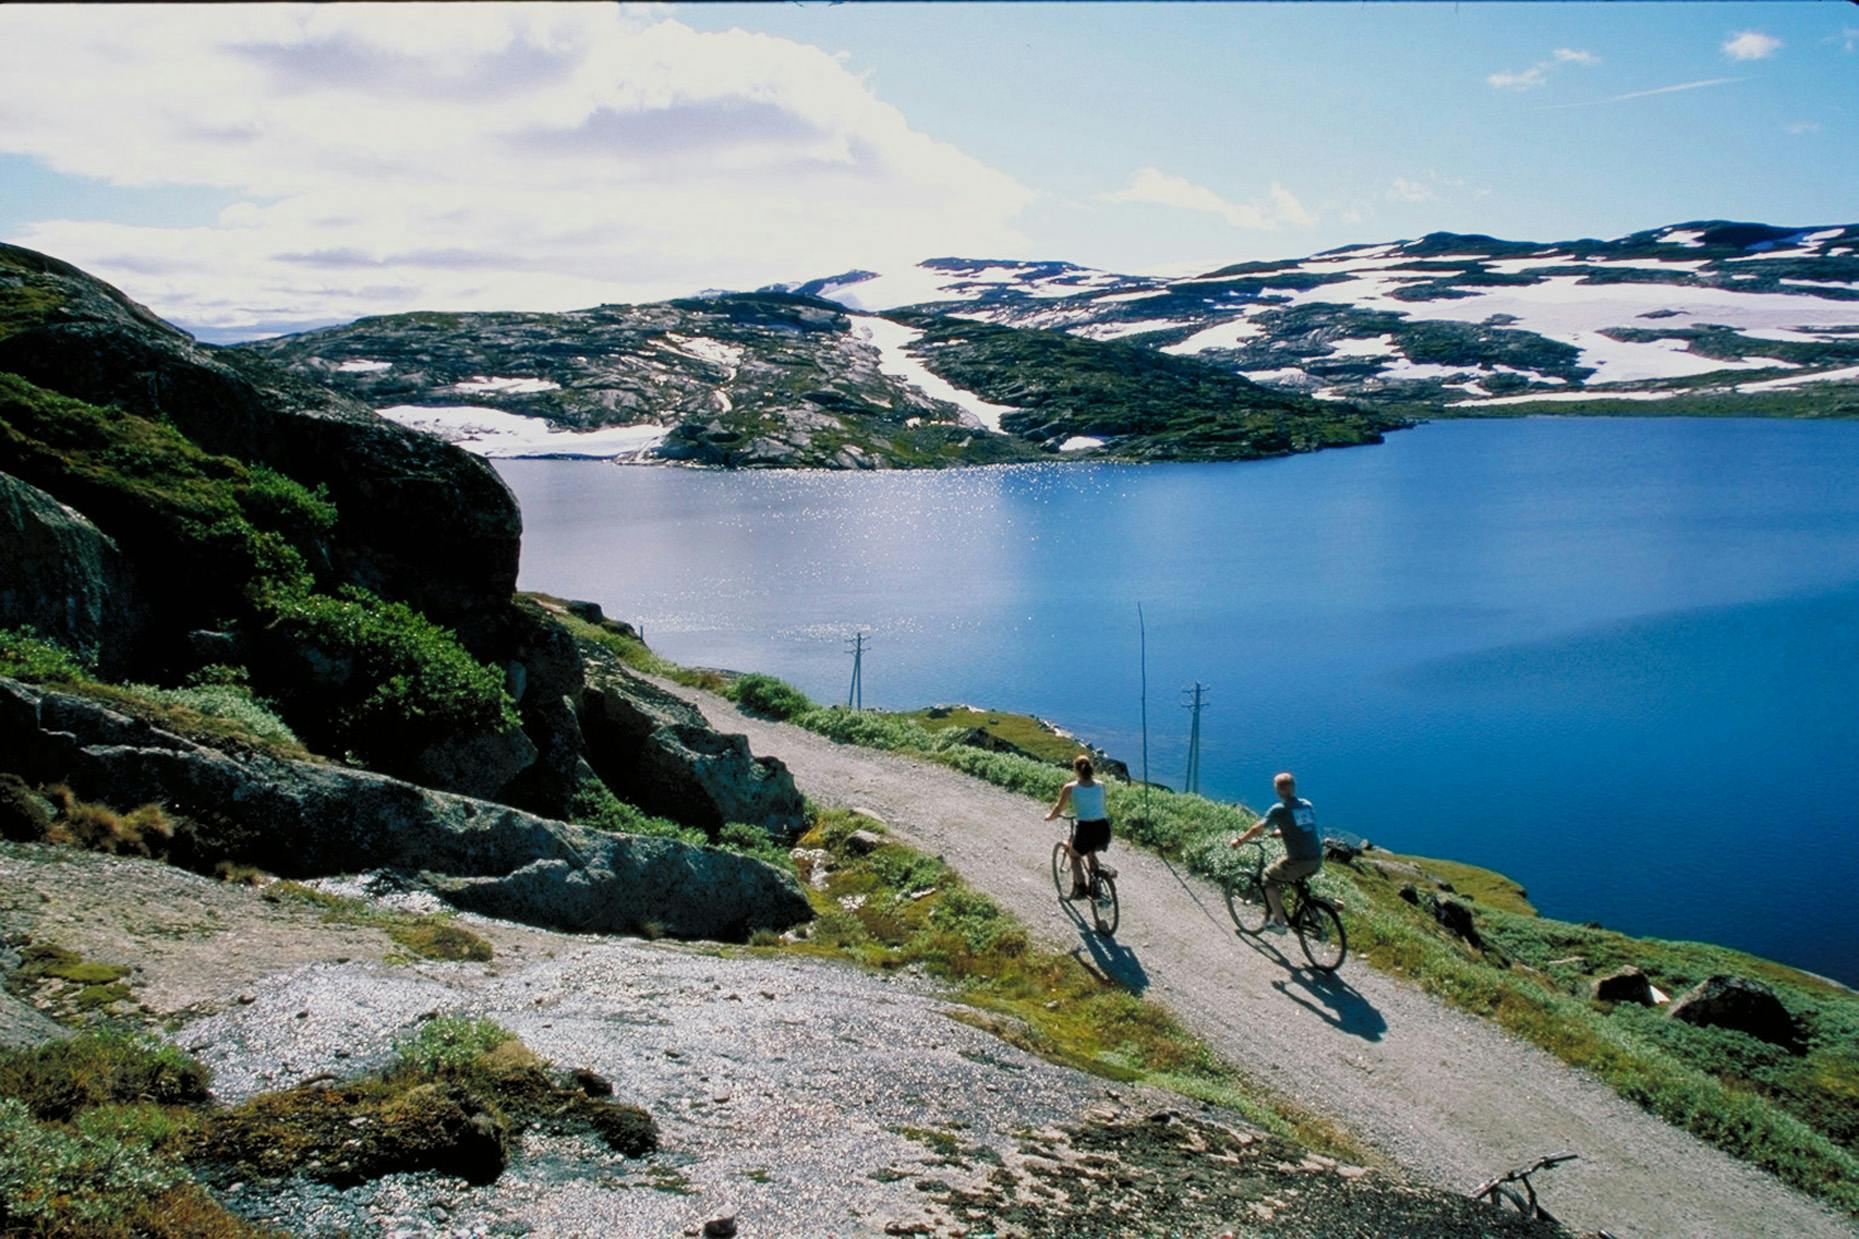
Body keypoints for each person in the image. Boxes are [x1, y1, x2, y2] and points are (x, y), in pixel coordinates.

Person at [1229, 771, 1321, 932]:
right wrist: (1281, 832)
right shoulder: (1306, 804)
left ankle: (1279, 922)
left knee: (1268, 878)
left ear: (1278, 790)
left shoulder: (1279, 809)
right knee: (1294, 878)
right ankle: (1312, 910)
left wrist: (1239, 841)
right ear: (1293, 787)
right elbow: (1302, 826)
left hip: (1300, 861)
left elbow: (1257, 828)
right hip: (1317, 858)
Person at [1045, 754, 1112, 900]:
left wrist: (1050, 817)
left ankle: (1081, 888)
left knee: (1074, 855)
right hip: (1103, 827)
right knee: (1090, 850)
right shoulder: (1101, 785)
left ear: (1076, 769)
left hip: (1086, 828)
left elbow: (1059, 808)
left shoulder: (1070, 787)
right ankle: (1096, 886)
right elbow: (1099, 805)